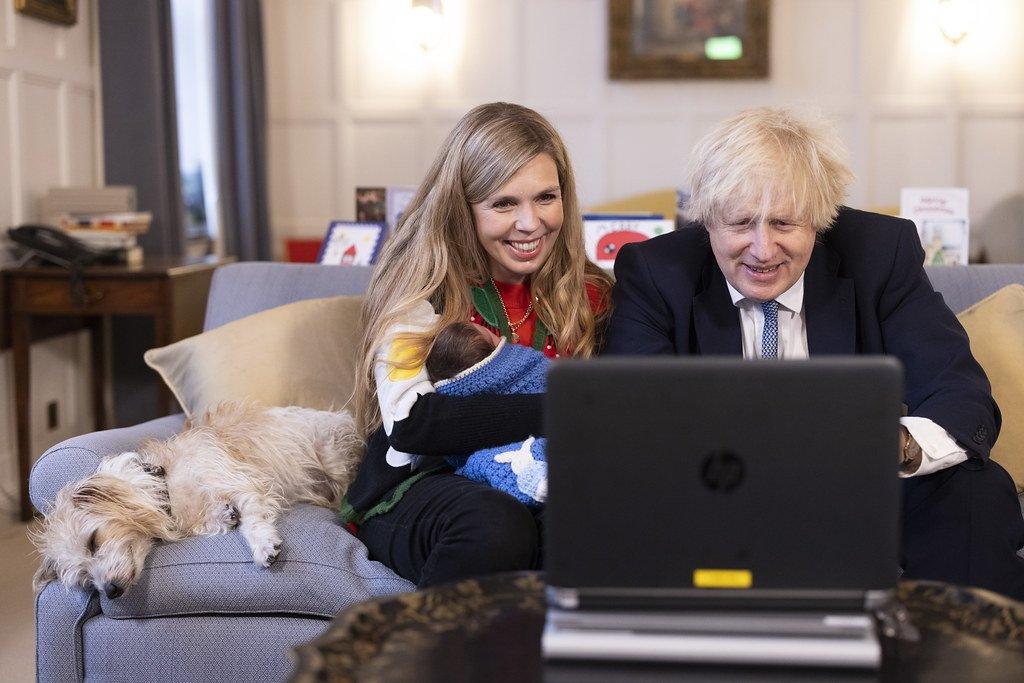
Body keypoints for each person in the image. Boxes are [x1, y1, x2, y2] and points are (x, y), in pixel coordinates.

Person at [605, 106, 1024, 600]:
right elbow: (635, 417)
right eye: (741, 223)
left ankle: (960, 654)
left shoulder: (881, 253)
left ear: (821, 221)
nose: (762, 250)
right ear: (708, 220)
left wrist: (897, 445)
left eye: (784, 223)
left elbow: (960, 393)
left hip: (860, 489)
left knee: (976, 490)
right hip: (715, 493)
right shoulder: (655, 272)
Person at [342, 102, 612, 587]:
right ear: (462, 209)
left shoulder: (593, 294)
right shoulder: (420, 289)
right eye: (503, 204)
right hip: (419, 487)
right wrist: (568, 406)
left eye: (546, 197)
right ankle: (424, 660)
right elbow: (414, 423)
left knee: (582, 522)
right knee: (495, 525)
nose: (530, 224)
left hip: (545, 477)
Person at [426, 320, 550, 508]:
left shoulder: (530, 370)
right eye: (495, 338)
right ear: (496, 351)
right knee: (486, 462)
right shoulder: (526, 367)